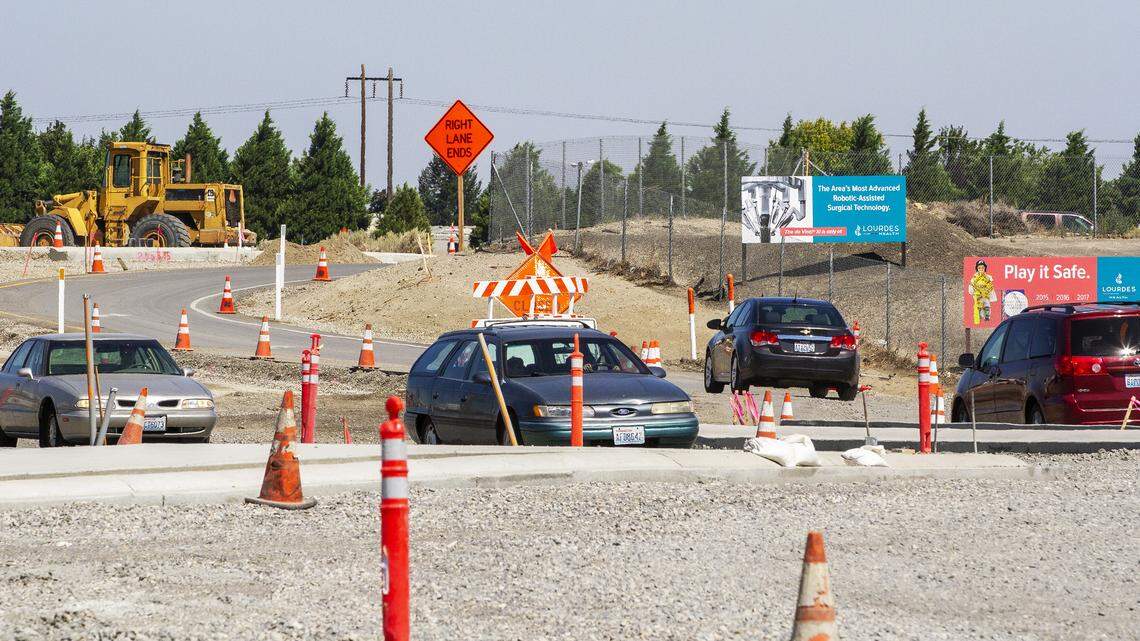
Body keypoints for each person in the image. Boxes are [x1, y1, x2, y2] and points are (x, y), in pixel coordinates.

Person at [969, 259, 996, 325]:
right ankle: (980, 318)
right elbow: (971, 290)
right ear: (977, 269)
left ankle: (987, 318)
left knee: (987, 306)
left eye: (982, 267)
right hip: (978, 297)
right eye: (979, 268)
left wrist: (988, 293)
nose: (981, 269)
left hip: (986, 296)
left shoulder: (988, 277)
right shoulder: (974, 278)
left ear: (985, 268)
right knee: (979, 309)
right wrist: (976, 293)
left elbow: (991, 287)